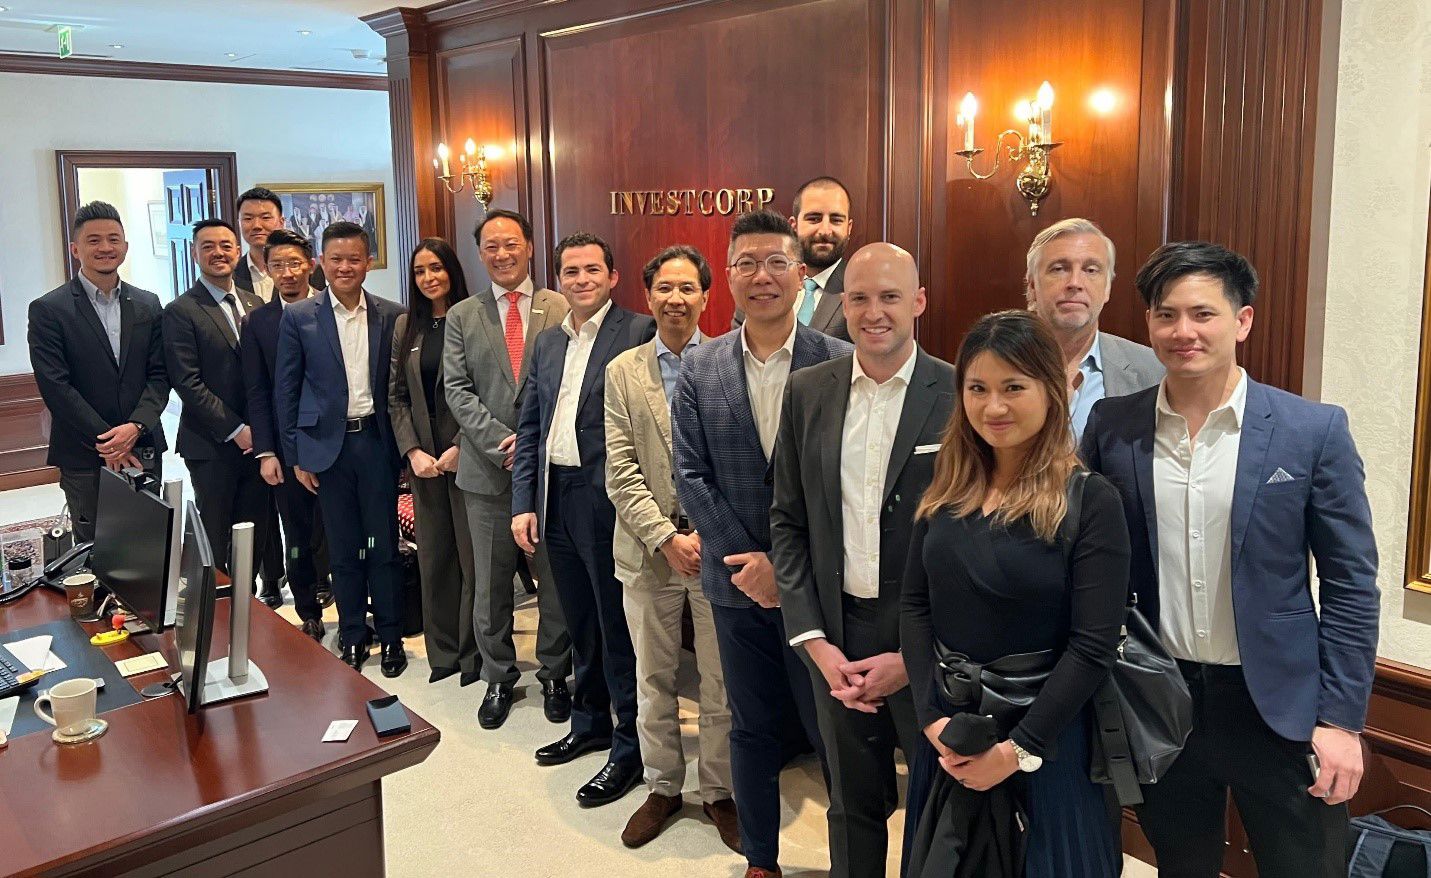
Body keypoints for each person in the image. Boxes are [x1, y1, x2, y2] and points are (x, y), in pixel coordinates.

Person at [1080, 241, 1380, 878]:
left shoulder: (1311, 430)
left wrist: (1341, 720)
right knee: (1179, 864)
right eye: (1166, 315)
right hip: (1161, 696)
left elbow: (1352, 583)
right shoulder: (1113, 426)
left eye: (1203, 314)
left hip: (1281, 706)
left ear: (1242, 321)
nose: (1182, 331)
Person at [900, 309, 1128, 877]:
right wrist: (930, 719)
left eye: (1013, 388)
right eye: (977, 388)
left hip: (1046, 738)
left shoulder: (1091, 500)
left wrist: (1018, 749)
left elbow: (1093, 646)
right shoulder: (945, 487)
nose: (993, 407)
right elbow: (915, 606)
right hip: (951, 731)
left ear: (1051, 390)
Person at [673, 209, 851, 878]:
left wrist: (786, 568)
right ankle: (760, 859)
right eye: (746, 263)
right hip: (734, 583)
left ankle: (850, 857)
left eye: (776, 262)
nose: (762, 276)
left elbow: (845, 481)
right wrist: (750, 565)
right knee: (748, 725)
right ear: (728, 277)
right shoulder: (700, 366)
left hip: (817, 586)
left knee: (830, 729)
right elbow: (689, 475)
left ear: (800, 275)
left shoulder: (838, 361)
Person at [769, 242, 954, 878]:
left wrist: (915, 657)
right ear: (840, 305)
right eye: (859, 298)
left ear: (919, 302)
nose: (874, 313)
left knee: (939, 806)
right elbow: (787, 521)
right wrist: (815, 643)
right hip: (837, 635)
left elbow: (976, 541)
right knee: (850, 804)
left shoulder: (959, 392)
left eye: (890, 297)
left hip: (929, 638)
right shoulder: (807, 391)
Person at [511, 232, 654, 808]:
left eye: (592, 269)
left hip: (610, 499)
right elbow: (530, 426)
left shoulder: (638, 331)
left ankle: (631, 745)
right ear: (559, 280)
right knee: (578, 620)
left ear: (612, 277)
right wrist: (523, 501)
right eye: (571, 271)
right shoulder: (548, 342)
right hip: (557, 497)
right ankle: (589, 721)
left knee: (617, 625)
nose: (582, 280)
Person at [603, 245, 738, 851]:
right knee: (652, 677)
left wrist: (707, 533)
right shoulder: (622, 371)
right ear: (648, 295)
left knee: (720, 680)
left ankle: (718, 790)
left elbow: (740, 464)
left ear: (707, 296)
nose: (675, 299)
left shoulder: (730, 363)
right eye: (664, 288)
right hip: (647, 551)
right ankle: (661, 786)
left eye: (687, 288)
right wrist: (665, 537)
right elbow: (620, 470)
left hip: (717, 550)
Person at [444, 209, 573, 716]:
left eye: (511, 243)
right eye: (491, 246)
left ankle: (555, 673)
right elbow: (457, 390)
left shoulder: (561, 305)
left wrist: (534, 446)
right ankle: (498, 676)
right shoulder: (463, 315)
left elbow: (573, 383)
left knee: (555, 582)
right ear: (480, 254)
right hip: (487, 471)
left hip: (550, 473)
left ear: (530, 247)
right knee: (491, 583)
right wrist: (504, 442)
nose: (502, 254)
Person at [275, 221, 408, 676]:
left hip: (376, 443)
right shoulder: (299, 317)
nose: (345, 267)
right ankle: (352, 634)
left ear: (368, 263)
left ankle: (391, 635)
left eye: (354, 259)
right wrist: (295, 457)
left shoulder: (392, 314)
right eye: (336, 259)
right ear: (321, 263)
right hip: (325, 448)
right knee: (344, 547)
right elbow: (286, 391)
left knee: (383, 545)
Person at [29, 201, 169, 542]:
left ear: (125, 247)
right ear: (76, 249)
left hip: (143, 445)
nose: (105, 247)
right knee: (95, 547)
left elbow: (161, 374)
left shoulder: (148, 303)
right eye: (94, 240)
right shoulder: (49, 309)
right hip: (83, 450)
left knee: (147, 541)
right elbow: (56, 386)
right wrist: (110, 441)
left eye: (113, 239)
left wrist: (135, 427)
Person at [389, 238, 478, 684]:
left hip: (469, 458)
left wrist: (463, 445)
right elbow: (396, 396)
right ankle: (443, 653)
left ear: (452, 271)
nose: (429, 278)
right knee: (436, 556)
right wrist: (412, 451)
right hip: (424, 463)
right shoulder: (406, 326)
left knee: (473, 560)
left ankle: (473, 653)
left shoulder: (475, 316)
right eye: (420, 271)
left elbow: (488, 391)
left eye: (436, 268)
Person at [162, 218, 270, 575]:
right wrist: (237, 429)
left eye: (225, 245)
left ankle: (248, 598)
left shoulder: (255, 303)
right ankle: (217, 600)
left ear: (238, 251)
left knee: (254, 531)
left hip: (258, 442)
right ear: (194, 254)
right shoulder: (181, 311)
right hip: (211, 444)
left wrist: (260, 430)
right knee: (215, 534)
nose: (218, 253)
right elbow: (187, 382)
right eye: (207, 246)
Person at [239, 228, 332, 642]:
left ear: (310, 264)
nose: (287, 273)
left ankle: (342, 593)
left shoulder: (331, 308)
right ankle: (308, 608)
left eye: (294, 263)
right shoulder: (257, 322)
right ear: (267, 269)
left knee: (337, 527)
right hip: (286, 443)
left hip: (334, 439)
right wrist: (266, 451)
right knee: (295, 531)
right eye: (277, 265)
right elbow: (256, 391)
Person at [1023, 217, 1162, 441]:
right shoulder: (992, 364)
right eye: (1059, 269)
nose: (1075, 283)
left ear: (1107, 288)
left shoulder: (1154, 371)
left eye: (1091, 270)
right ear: (1032, 285)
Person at [732, 176, 853, 341]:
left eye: (836, 220)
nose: (825, 230)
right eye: (814, 219)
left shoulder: (859, 289)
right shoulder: (758, 288)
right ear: (793, 225)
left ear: (849, 227)